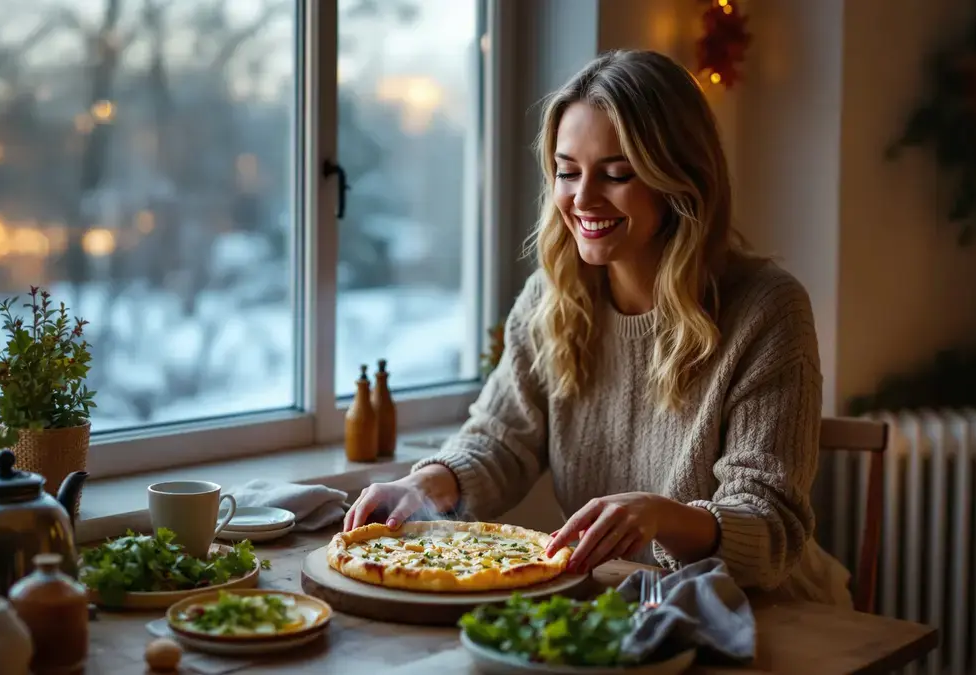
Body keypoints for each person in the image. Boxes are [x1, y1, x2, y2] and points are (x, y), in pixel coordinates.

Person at [343, 49, 852, 607]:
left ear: (679, 180)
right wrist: (424, 483)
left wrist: (662, 516)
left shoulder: (767, 309)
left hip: (768, 613)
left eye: (615, 174)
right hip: (621, 604)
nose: (582, 199)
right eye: (567, 172)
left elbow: (769, 527)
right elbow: (500, 440)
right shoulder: (552, 296)